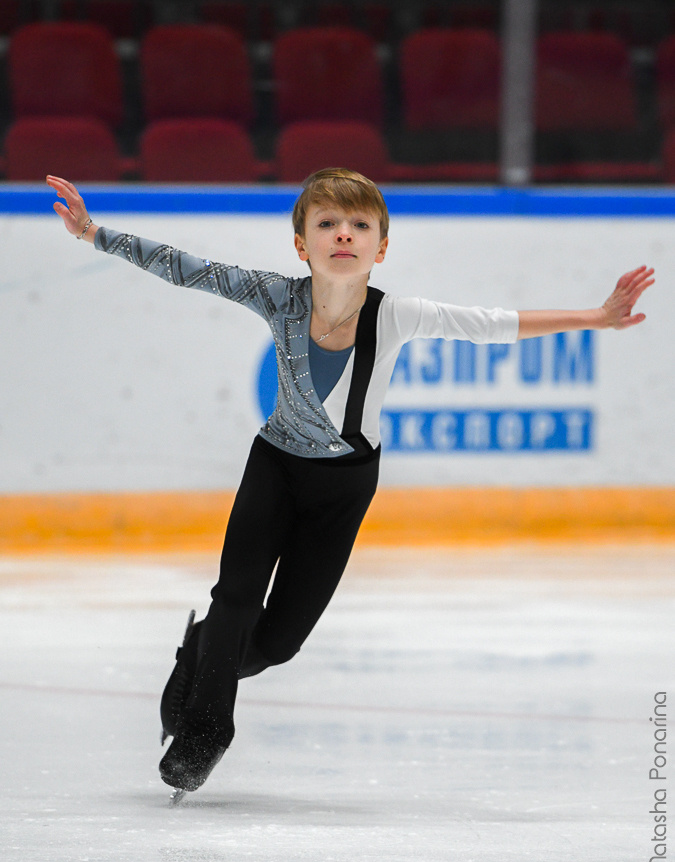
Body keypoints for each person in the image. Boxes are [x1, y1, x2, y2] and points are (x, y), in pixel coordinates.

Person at [46, 169, 653, 795]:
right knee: (235, 597)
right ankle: (205, 735)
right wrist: (93, 233)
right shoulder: (278, 296)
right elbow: (187, 267)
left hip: (343, 488)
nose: (344, 234)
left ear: (381, 247)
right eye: (327, 224)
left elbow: (492, 324)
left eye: (360, 225)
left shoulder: (398, 316)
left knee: (276, 644)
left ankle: (198, 652)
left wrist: (598, 317)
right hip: (275, 466)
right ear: (301, 244)